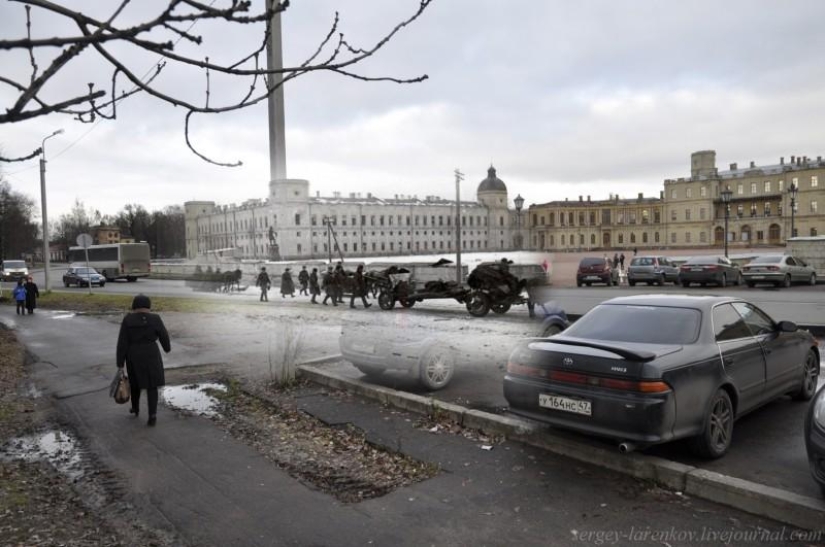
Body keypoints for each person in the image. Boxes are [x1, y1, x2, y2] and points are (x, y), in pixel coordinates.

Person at [116, 294, 171, 426]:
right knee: (152, 386)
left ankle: (135, 408)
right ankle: (152, 415)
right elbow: (164, 335)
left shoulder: (128, 320)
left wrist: (120, 363)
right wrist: (166, 348)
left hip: (133, 354)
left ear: (134, 306)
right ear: (148, 306)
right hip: (151, 353)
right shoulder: (155, 318)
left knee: (135, 384)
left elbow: (122, 342)